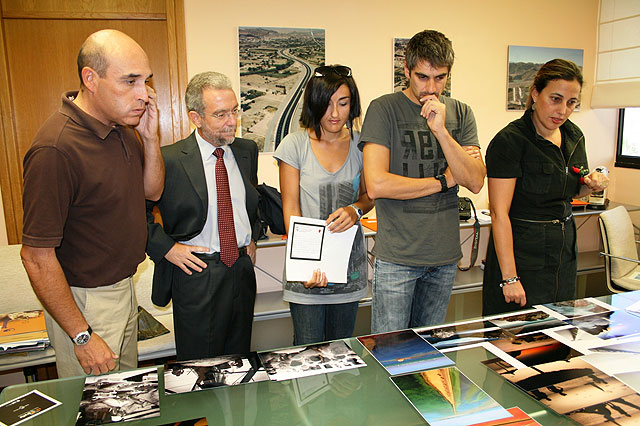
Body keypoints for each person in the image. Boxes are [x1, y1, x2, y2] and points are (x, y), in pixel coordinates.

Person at [20, 29, 164, 377]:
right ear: (91, 79)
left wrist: (149, 140)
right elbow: (36, 257)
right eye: (130, 81)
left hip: (123, 290)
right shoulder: (56, 149)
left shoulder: (121, 128)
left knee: (127, 401)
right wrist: (82, 335)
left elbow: (152, 193)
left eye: (146, 81)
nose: (143, 95)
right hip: (86, 304)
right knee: (98, 409)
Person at [359, 30, 486, 333]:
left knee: (428, 357)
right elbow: (377, 185)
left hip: (443, 258)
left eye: (440, 78)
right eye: (422, 77)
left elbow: (476, 181)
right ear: (406, 70)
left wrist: (442, 131)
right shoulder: (384, 109)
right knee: (390, 355)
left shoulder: (461, 113)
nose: (431, 87)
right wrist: (443, 181)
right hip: (397, 258)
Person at [146, 72, 261, 361]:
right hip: (197, 275)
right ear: (196, 118)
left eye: (234, 110)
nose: (232, 121)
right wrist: (168, 249)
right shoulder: (170, 160)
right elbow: (136, 216)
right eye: (220, 114)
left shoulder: (246, 151)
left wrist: (252, 236)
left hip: (241, 271)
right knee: (200, 369)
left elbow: (250, 198)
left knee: (238, 363)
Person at [482, 59, 609, 315]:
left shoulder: (574, 136)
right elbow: (499, 213)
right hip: (522, 257)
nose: (562, 110)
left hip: (562, 256)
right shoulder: (511, 141)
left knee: (560, 337)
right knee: (519, 342)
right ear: (536, 93)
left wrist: (592, 185)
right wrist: (509, 278)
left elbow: (571, 190)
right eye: (556, 99)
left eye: (571, 102)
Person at [274, 65, 373, 345]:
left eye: (343, 103)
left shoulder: (361, 145)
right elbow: (291, 210)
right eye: (327, 104)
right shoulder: (295, 146)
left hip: (347, 268)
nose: (335, 113)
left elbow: (369, 196)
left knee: (343, 354)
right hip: (306, 271)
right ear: (314, 103)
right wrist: (306, 268)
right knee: (308, 356)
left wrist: (355, 210)